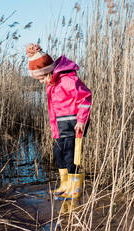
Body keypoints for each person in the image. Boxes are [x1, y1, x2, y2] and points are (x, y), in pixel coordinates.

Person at [26, 43, 92, 199]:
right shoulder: (52, 83)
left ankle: (74, 188)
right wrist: (55, 129)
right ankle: (65, 185)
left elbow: (85, 97)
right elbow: (54, 111)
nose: (41, 82)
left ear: (48, 71)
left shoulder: (67, 80)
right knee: (58, 152)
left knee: (71, 155)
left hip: (74, 123)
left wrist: (81, 120)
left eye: (41, 78)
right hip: (61, 125)